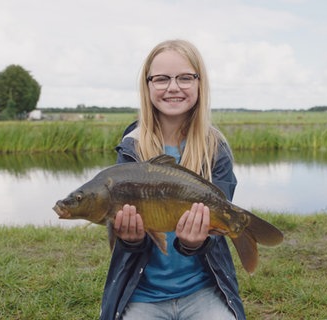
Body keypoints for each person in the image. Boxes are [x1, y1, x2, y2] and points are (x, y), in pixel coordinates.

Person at [100, 39, 246, 320]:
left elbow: (217, 226)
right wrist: (130, 239)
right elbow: (120, 235)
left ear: (200, 83)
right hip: (142, 293)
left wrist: (195, 242)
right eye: (162, 79)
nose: (173, 87)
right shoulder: (131, 147)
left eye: (185, 78)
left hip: (202, 290)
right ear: (148, 85)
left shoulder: (215, 149)